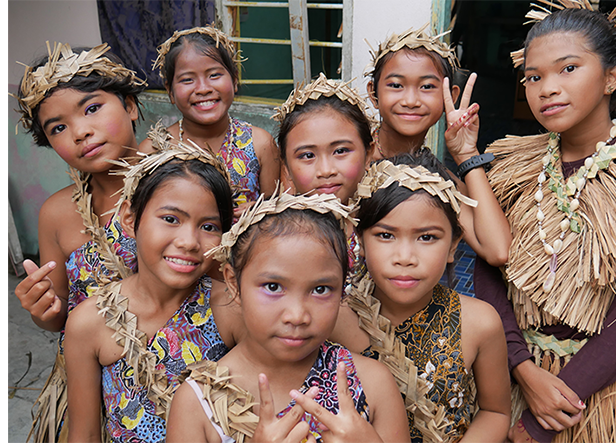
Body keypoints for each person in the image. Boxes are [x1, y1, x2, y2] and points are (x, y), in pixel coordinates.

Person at [471, 2, 616, 442]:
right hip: (508, 376)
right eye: (534, 76)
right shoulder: (511, 166)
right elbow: (489, 272)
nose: (547, 88)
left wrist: (542, 419)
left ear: (611, 78)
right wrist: (521, 369)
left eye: (568, 68)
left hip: (596, 396)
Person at [166, 192, 410, 443]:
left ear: (342, 289)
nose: (297, 316)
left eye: (320, 289)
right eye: (273, 287)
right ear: (233, 283)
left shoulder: (373, 383)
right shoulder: (198, 403)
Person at [11, 42, 147, 443]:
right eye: (58, 127)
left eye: (92, 108)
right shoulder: (56, 214)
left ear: (130, 105)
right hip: (92, 389)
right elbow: (56, 320)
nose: (80, 132)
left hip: (178, 367)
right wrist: (42, 309)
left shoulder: (181, 184)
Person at [333, 150, 512, 443]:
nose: (405, 257)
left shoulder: (479, 323)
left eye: (427, 237)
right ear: (360, 239)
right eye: (385, 235)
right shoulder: (333, 320)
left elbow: (495, 412)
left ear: (454, 245)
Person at [63, 142, 237, 442]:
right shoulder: (89, 322)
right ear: (130, 219)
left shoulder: (231, 308)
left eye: (209, 226)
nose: (189, 241)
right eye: (171, 219)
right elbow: (86, 434)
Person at [365, 25, 510, 266]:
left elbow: (498, 251)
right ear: (373, 93)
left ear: (450, 96)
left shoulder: (437, 180)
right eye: (396, 85)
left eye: (427, 87)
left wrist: (466, 154)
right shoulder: (351, 159)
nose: (411, 101)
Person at [142, 25, 283, 218]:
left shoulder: (260, 145)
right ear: (170, 91)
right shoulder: (154, 150)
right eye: (187, 80)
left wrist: (261, 211)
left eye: (214, 75)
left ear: (234, 80)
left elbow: (278, 209)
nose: (203, 88)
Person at [272, 73, 375, 269]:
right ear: (285, 166)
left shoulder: (386, 226)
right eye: (307, 155)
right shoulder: (272, 237)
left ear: (368, 153)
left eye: (340, 151)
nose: (326, 171)